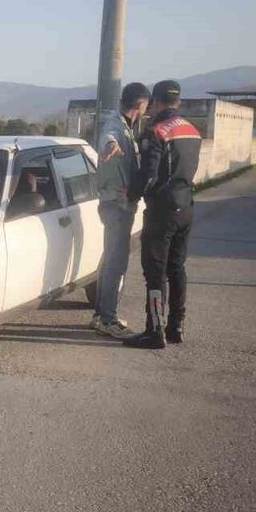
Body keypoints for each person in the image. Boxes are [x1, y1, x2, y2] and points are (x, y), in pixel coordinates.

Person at [124, 80, 201, 349]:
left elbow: (149, 176)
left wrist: (131, 195)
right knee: (177, 269)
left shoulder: (156, 132)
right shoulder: (192, 130)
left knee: (155, 273)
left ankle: (154, 331)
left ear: (155, 102)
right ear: (178, 102)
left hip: (162, 211)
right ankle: (176, 327)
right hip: (186, 207)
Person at [90, 82, 150, 338]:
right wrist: (110, 145)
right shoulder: (115, 125)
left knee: (110, 261)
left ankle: (100, 315)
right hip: (117, 205)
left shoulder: (127, 125)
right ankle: (108, 319)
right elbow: (108, 136)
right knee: (116, 263)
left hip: (116, 203)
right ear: (141, 104)